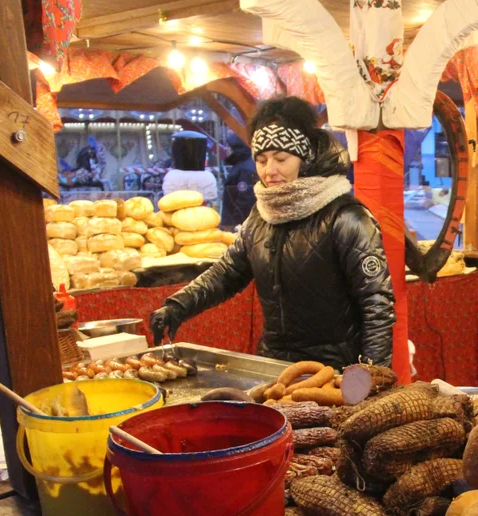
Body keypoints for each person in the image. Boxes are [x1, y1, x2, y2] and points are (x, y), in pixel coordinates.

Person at [150, 96, 396, 368]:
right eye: (262, 159)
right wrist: (177, 306)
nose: (270, 171)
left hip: (336, 371)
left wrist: (372, 377)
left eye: (281, 158)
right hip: (274, 367)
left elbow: (377, 305)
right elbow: (227, 273)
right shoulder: (262, 214)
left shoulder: (347, 217)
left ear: (306, 157)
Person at [162, 130, 219, 204]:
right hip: (202, 211)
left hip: (177, 211)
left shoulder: (171, 176)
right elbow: (211, 196)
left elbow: (168, 196)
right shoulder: (208, 176)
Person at [219, 136, 259, 230]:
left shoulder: (244, 169)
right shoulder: (241, 165)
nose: (226, 149)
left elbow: (245, 198)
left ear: (237, 148)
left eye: (229, 146)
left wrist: (238, 223)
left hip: (237, 224)